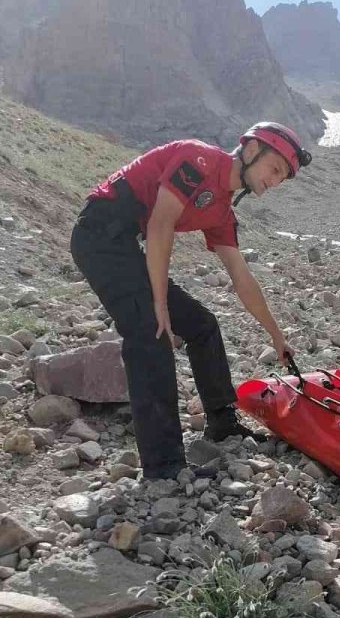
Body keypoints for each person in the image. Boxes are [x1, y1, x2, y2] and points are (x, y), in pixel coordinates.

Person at [70, 122, 310, 480]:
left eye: (282, 178)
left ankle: (222, 422)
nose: (275, 181)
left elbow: (241, 277)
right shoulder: (198, 159)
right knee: (151, 331)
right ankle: (164, 466)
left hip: (126, 246)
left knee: (202, 325)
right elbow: (160, 224)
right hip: (98, 237)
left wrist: (277, 336)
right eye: (274, 169)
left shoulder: (222, 211)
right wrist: (160, 304)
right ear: (250, 151)